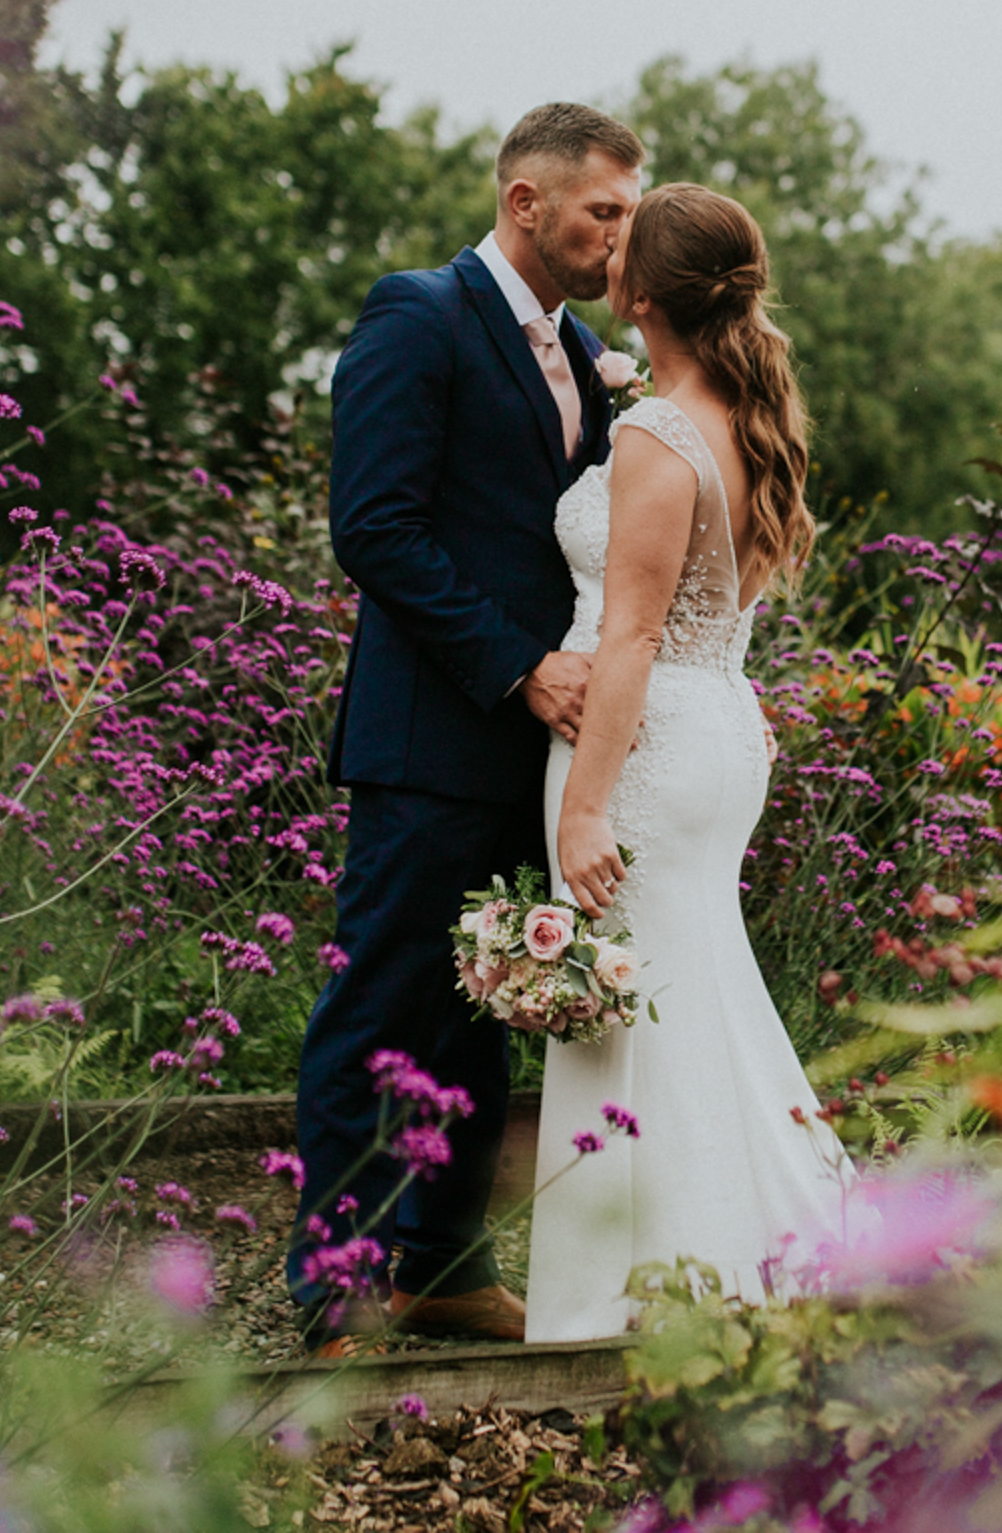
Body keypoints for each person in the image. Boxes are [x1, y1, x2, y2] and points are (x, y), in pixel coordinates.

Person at [293, 102, 641, 1353]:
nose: (621, 232)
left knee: (490, 1009)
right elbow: (375, 528)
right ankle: (334, 1284)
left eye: (629, 211)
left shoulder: (587, 348)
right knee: (381, 1005)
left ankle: (441, 1265)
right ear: (525, 203)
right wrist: (519, 668)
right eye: (604, 208)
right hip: (434, 732)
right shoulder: (417, 313)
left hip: (536, 749)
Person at [527, 181, 850, 1343]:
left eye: (623, 244)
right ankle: (753, 1256)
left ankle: (632, 1300)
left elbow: (633, 635)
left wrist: (588, 810)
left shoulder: (662, 434)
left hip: (648, 742)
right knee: (691, 987)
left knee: (629, 1010)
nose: (605, 253)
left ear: (642, 293)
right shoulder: (746, 419)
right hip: (718, 722)